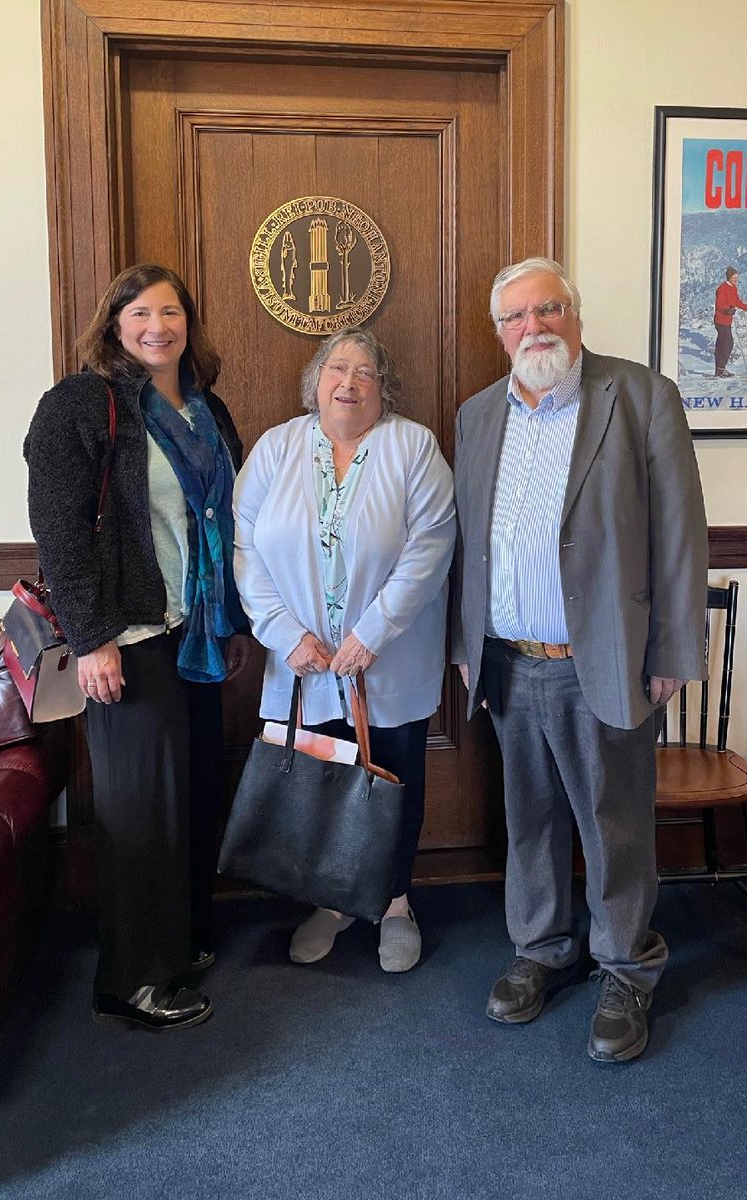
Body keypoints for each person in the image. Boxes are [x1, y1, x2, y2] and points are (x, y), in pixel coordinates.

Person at [452, 257, 708, 1062]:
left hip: (604, 657)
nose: (534, 327)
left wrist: (672, 648)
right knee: (527, 819)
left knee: (613, 823)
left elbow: (679, 535)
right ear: (498, 333)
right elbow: (469, 542)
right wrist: (467, 646)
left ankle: (628, 967)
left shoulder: (639, 397)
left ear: (576, 314)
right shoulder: (477, 414)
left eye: (549, 308)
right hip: (507, 661)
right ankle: (541, 949)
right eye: (516, 316)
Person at [24, 263, 251, 1031]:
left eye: (172, 312)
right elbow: (59, 531)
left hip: (195, 635)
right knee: (139, 811)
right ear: (114, 324)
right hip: (128, 636)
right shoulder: (83, 405)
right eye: (141, 313)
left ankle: (175, 944)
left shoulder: (204, 408)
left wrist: (236, 619)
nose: (159, 326)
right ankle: (131, 980)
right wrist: (93, 640)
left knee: (186, 800)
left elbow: (225, 518)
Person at [232, 326, 455, 972]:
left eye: (364, 372)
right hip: (303, 666)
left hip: (386, 663)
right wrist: (283, 633)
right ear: (316, 383)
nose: (349, 382)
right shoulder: (277, 448)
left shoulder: (412, 448)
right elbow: (245, 548)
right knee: (320, 781)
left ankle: (393, 905)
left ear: (384, 389)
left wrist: (372, 633)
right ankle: (329, 902)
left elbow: (432, 545)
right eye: (337, 369)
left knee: (393, 782)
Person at [713, 266, 747, 377]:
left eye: (736, 277)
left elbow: (737, 302)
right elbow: (720, 305)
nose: (735, 280)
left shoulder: (733, 288)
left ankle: (719, 370)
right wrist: (727, 310)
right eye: (733, 277)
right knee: (728, 344)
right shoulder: (722, 288)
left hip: (727, 321)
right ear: (729, 277)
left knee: (721, 345)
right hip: (721, 320)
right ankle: (721, 370)